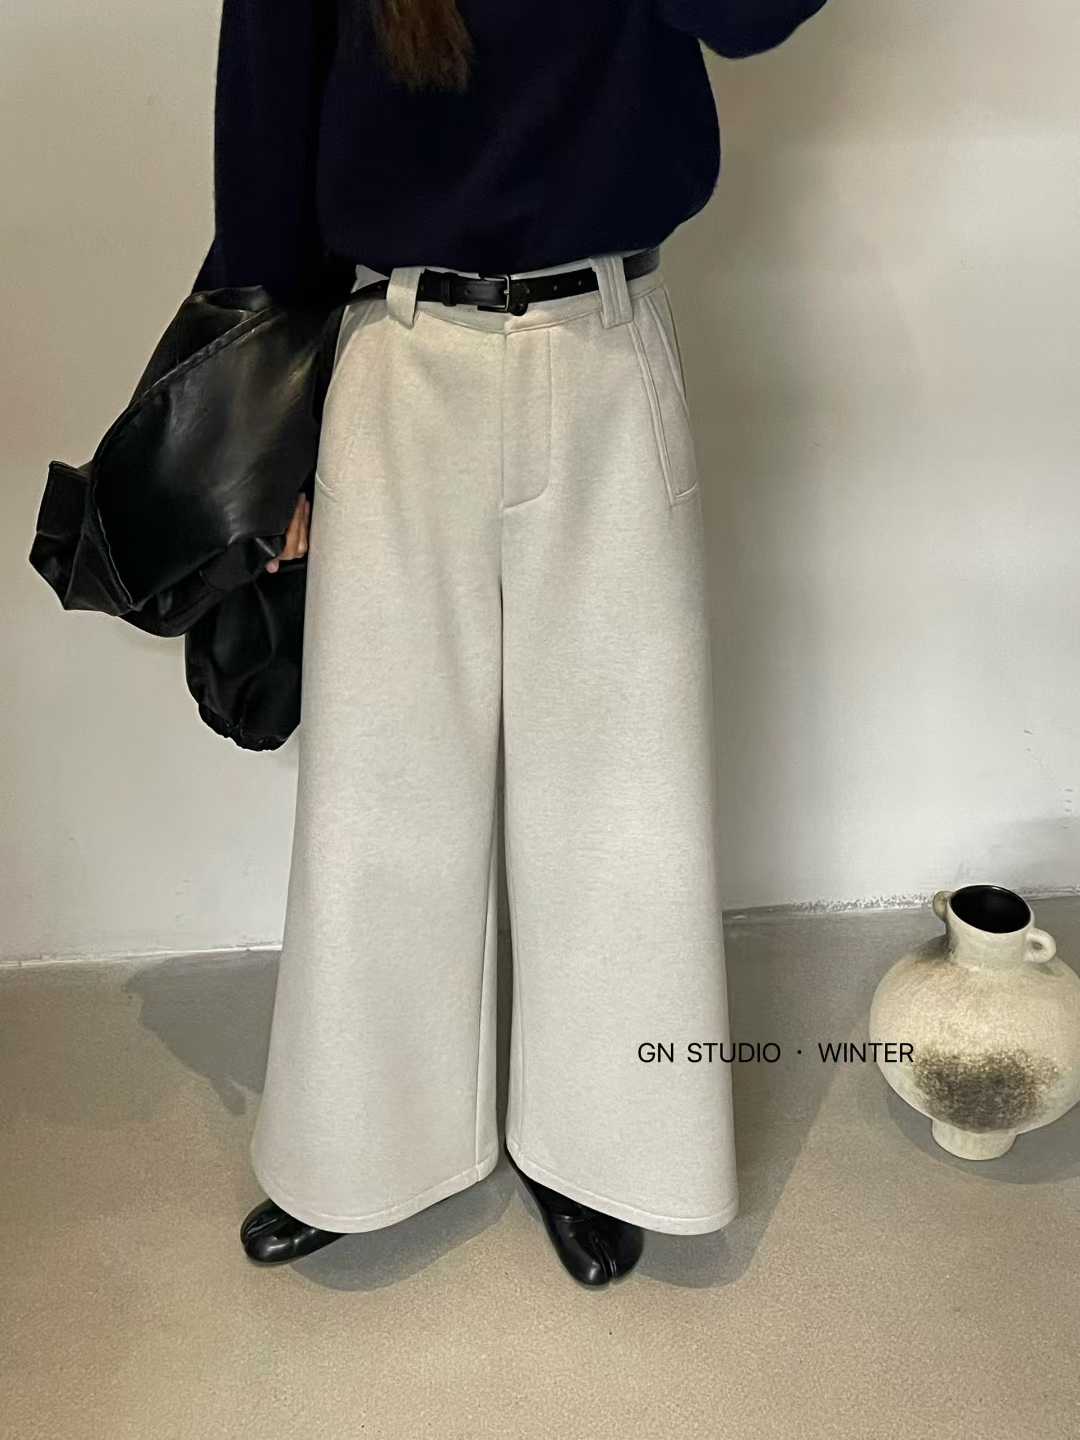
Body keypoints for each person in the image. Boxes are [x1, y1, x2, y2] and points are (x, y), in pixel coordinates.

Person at [194, 0, 830, 1288]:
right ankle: (357, 1151)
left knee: (622, 793)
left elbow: (752, 15)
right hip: (395, 357)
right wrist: (261, 438)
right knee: (381, 792)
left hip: (606, 345)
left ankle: (605, 1153)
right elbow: (265, 141)